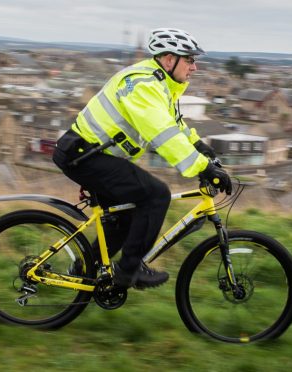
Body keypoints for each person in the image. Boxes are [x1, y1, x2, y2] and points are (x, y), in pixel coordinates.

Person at [52, 27, 232, 289]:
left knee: (125, 215)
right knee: (156, 195)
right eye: (190, 59)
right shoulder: (143, 85)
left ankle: (85, 269)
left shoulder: (160, 84)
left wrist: (202, 149)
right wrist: (202, 168)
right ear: (170, 59)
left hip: (91, 155)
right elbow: (162, 134)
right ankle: (129, 272)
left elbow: (175, 125)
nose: (194, 67)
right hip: (84, 155)